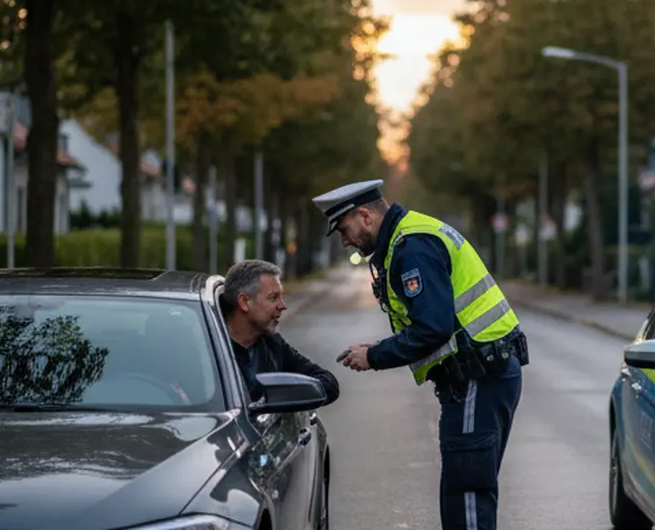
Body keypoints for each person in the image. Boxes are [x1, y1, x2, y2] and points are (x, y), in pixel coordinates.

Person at [312, 179, 528, 530]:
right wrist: (376, 350)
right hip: (481, 374)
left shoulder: (412, 246)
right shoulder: (410, 235)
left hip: (477, 377)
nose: (345, 240)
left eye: (344, 228)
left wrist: (376, 356)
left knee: (468, 495)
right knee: (460, 490)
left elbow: (433, 327)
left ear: (365, 216)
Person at [219, 259, 339, 406]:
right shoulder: (205, 349)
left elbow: (328, 383)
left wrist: (279, 399)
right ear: (244, 302)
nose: (283, 306)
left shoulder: (272, 344)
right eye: (273, 297)